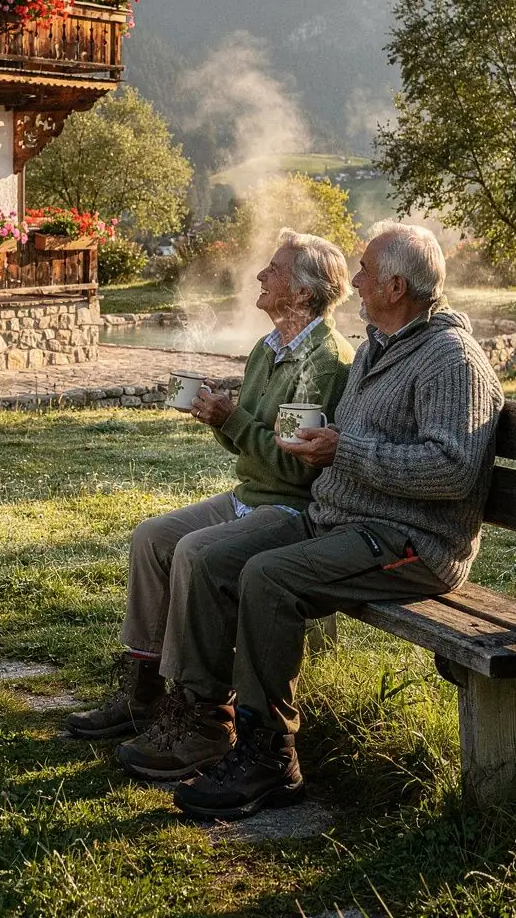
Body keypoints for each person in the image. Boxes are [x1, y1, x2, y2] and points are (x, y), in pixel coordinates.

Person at [166, 221, 504, 820]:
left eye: (367, 270)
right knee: (213, 556)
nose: (354, 279)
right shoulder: (381, 346)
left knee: (269, 578)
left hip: (411, 542)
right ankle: (203, 722)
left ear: (396, 285)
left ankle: (271, 757)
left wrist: (342, 451)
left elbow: (452, 471)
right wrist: (315, 450)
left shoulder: (452, 360)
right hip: (343, 520)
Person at [66, 231, 355, 777]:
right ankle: (143, 693)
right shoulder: (270, 351)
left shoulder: (324, 362)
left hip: (291, 509)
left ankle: (204, 719)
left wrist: (232, 421)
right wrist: (219, 418)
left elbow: (297, 467)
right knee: (153, 538)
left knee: (197, 553)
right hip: (251, 495)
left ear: (302, 292)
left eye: (273, 270)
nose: (260, 277)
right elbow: (252, 439)